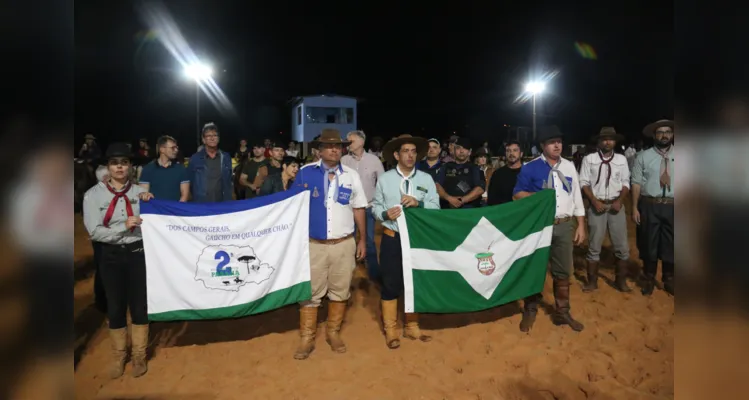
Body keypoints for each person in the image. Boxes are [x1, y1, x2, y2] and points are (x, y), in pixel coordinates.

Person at [292, 128, 367, 360]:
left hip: (344, 244)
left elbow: (359, 208)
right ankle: (307, 337)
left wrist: (363, 238)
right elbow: (292, 208)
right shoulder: (304, 174)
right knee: (311, 292)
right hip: (313, 244)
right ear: (319, 150)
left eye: (338, 146)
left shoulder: (351, 176)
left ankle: (333, 333)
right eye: (329, 146)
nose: (335, 149)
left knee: (340, 289)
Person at [82, 142, 154, 378]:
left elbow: (153, 223)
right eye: (115, 163)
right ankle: (118, 356)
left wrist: (150, 203)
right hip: (110, 254)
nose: (120, 167)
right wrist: (123, 226)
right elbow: (94, 231)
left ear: (131, 166)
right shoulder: (92, 195)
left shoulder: (139, 193)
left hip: (137, 252)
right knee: (115, 306)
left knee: (139, 305)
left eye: (124, 162)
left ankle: (139, 356)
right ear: (108, 168)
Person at [513, 125, 587, 332]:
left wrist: (580, 224)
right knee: (535, 268)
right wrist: (540, 198)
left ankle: (562, 312)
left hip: (564, 225)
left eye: (559, 141)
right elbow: (517, 194)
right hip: (540, 226)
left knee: (563, 271)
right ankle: (530, 309)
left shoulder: (570, 166)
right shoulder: (530, 167)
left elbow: (576, 197)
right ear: (543, 146)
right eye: (552, 142)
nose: (557, 145)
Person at [373, 134, 440, 349]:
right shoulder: (385, 179)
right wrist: (384, 214)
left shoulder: (426, 180)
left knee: (416, 282)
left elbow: (436, 207)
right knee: (391, 283)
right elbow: (374, 206)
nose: (410, 155)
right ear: (396, 154)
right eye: (405, 151)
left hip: (418, 239)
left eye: (413, 151)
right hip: (393, 238)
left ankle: (412, 326)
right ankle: (391, 330)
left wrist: (418, 203)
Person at [578, 127, 632, 293]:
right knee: (594, 245)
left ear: (615, 142)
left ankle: (620, 281)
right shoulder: (589, 159)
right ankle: (592, 282)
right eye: (604, 139)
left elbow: (625, 182)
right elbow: (584, 182)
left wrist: (620, 200)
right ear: (599, 141)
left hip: (616, 206)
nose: (608, 142)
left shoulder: (622, 160)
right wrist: (593, 201)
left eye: (611, 139)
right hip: (597, 206)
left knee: (622, 246)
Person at [631, 119, 674, 296]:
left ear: (672, 135)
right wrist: (634, 207)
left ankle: (669, 279)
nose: (664, 135)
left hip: (674, 206)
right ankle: (648, 278)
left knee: (672, 243)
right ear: (654, 135)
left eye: (667, 132)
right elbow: (636, 183)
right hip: (650, 205)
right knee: (649, 243)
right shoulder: (643, 156)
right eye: (660, 132)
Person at [341, 130, 385, 283]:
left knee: (370, 240)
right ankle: (349, 272)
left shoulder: (374, 160)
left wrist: (378, 204)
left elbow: (382, 184)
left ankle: (373, 273)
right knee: (349, 240)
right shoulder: (344, 160)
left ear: (361, 142)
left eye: (350, 140)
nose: (347, 143)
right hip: (348, 208)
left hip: (368, 207)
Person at [187, 122, 233, 202]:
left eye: (215, 135)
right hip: (202, 204)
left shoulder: (226, 157)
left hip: (222, 204)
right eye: (208, 136)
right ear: (203, 140)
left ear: (218, 139)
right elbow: (189, 182)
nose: (212, 138)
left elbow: (229, 181)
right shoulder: (195, 159)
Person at [436, 137, 485, 209]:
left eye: (465, 148)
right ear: (454, 150)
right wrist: (450, 199)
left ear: (470, 151)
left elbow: (480, 189)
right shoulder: (445, 167)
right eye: (458, 148)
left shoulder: (476, 168)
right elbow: (437, 185)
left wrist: (462, 200)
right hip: (447, 210)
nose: (461, 151)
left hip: (469, 211)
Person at [139, 135, 190, 202]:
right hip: (155, 211)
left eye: (176, 147)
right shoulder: (147, 169)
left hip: (175, 211)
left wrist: (176, 210)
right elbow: (143, 193)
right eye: (173, 148)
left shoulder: (181, 169)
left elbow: (185, 196)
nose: (176, 150)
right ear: (162, 149)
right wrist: (144, 195)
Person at [487, 141, 523, 206]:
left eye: (515, 150)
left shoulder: (528, 172)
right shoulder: (497, 174)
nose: (511, 153)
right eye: (508, 151)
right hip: (503, 212)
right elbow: (491, 200)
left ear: (521, 154)